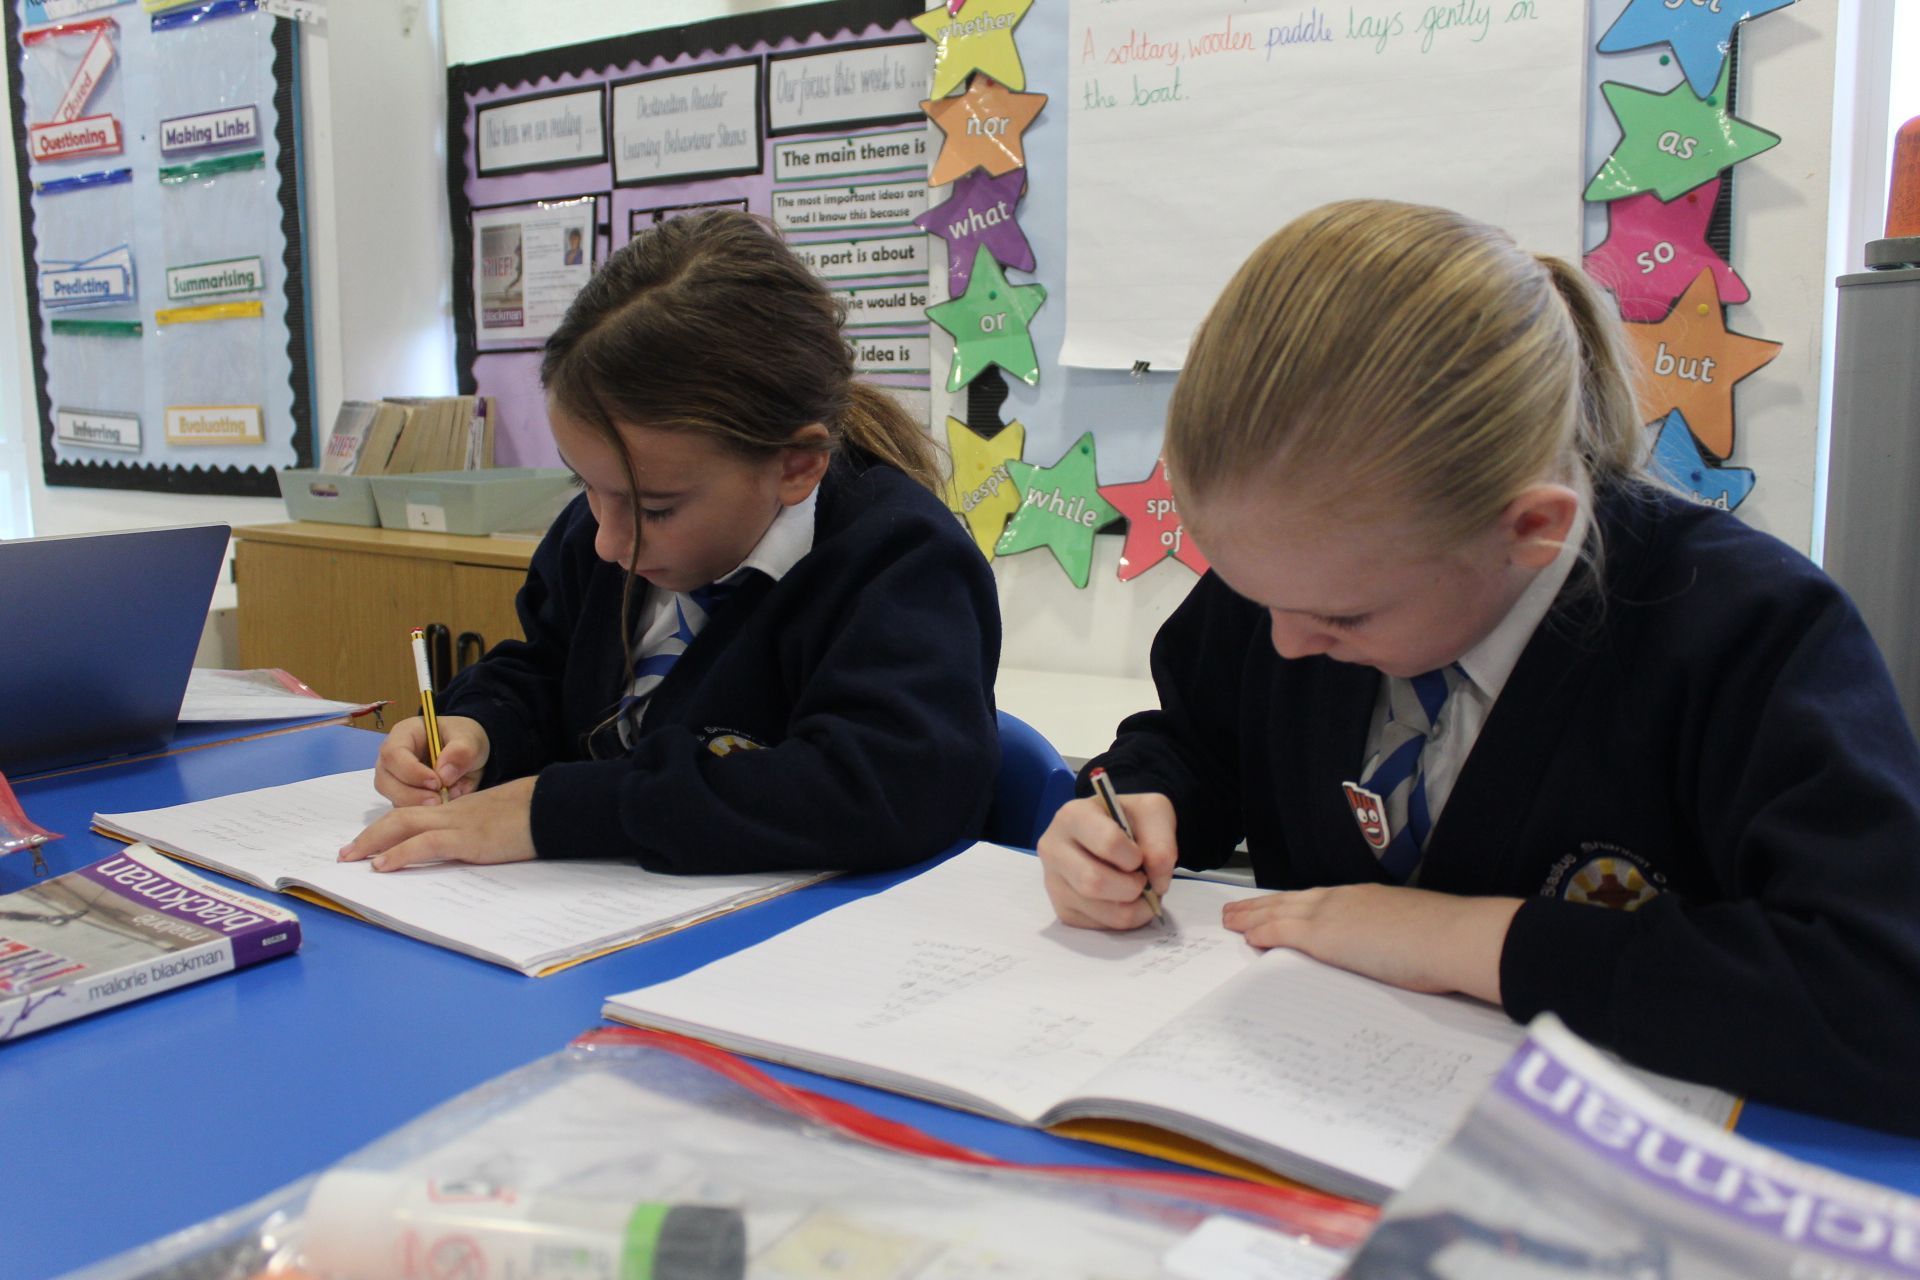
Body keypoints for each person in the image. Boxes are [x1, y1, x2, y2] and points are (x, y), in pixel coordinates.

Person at [1036, 199, 1920, 1131]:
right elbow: (1204, 737)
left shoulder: (1745, 631)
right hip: (1304, 1124)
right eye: (1259, 600)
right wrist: (1137, 803)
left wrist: (1474, 942)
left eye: (1341, 616)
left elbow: (1883, 995)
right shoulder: (1300, 576)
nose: (1286, 644)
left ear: (1532, 530)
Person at [342, 210, 1000, 875]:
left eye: (655, 509)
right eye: (586, 484)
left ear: (796, 465)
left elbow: (883, 790)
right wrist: (480, 730)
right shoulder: (599, 532)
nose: (607, 541)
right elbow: (546, 670)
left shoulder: (901, 561)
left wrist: (562, 810)